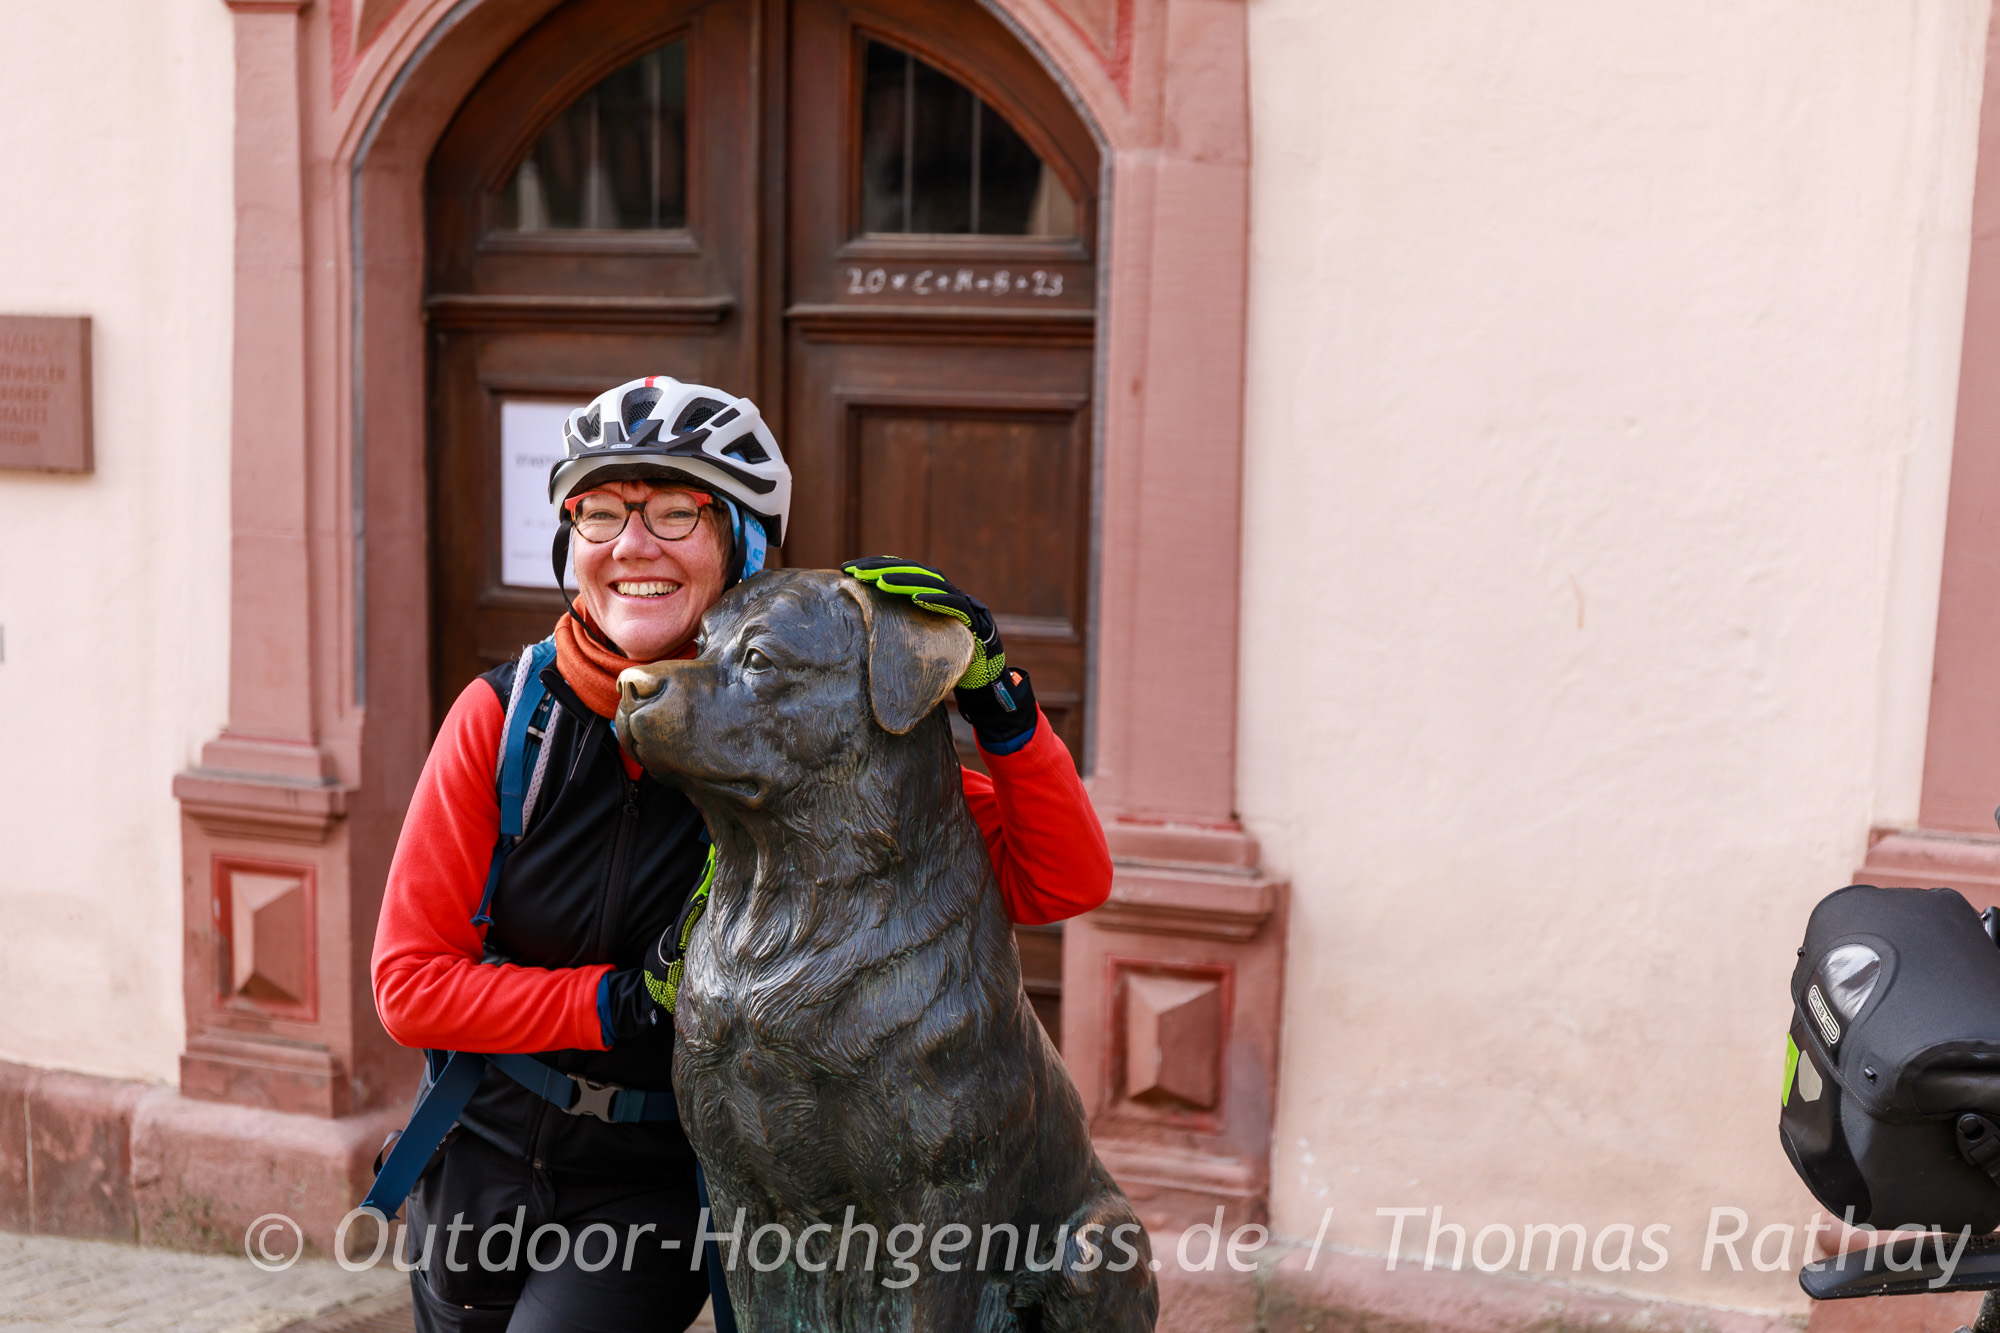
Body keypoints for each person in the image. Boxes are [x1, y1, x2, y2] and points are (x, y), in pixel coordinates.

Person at [369, 376, 1112, 1333]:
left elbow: (1060, 877)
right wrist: (620, 1001)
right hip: (480, 1158)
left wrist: (998, 700)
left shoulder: (801, 732)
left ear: (744, 545)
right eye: (598, 512)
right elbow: (411, 985)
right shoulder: (512, 719)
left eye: (677, 510)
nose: (632, 544)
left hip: (649, 1183)